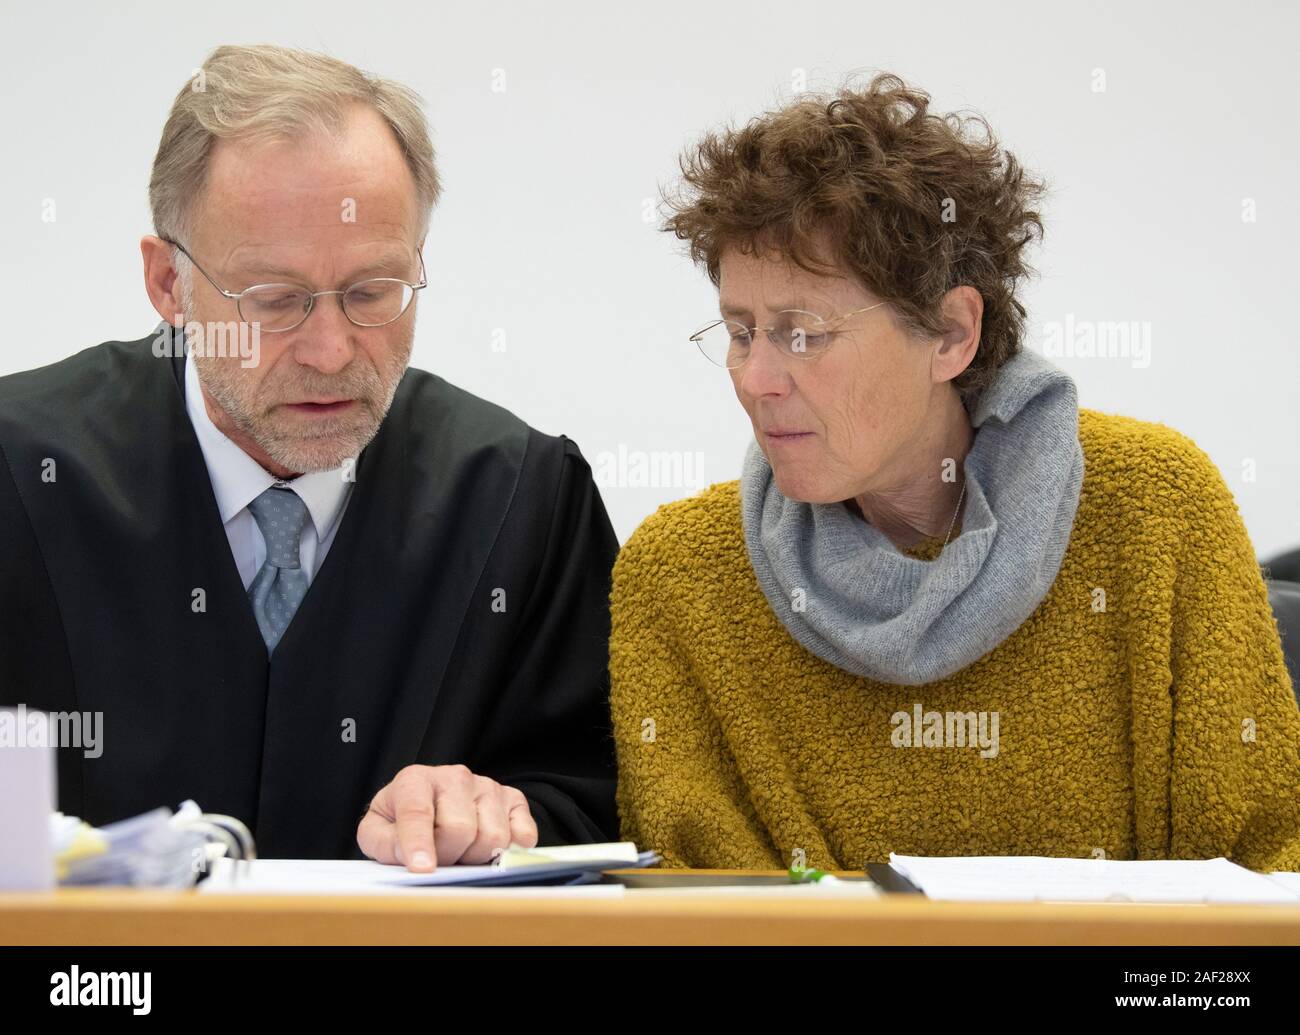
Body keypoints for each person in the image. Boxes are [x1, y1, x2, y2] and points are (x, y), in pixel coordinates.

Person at [610, 73, 1300, 871]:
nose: (757, 378)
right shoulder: (679, 576)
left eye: (802, 334)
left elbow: (1268, 874)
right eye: (740, 332)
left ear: (950, 333)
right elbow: (698, 913)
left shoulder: (1157, 509)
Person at [0, 45, 618, 867]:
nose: (331, 352)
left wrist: (500, 816)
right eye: (274, 300)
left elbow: (598, 805)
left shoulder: (524, 505)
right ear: (166, 284)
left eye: (372, 292)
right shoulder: (19, 475)